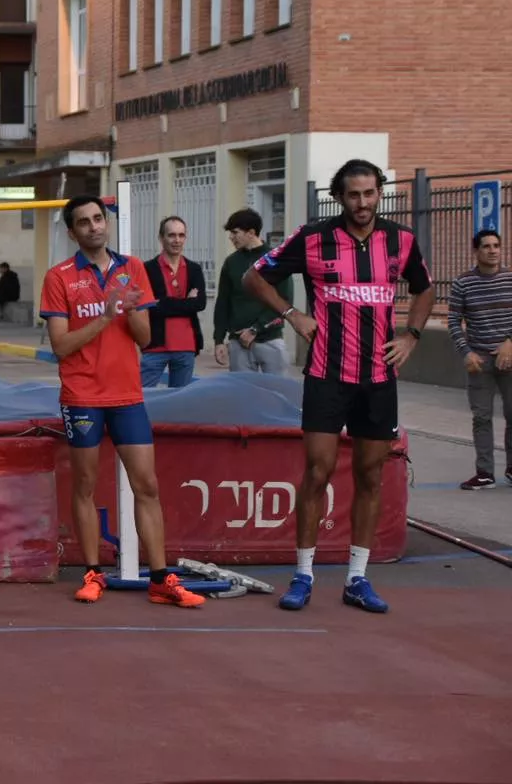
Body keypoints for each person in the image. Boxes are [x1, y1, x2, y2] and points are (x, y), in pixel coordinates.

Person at [244, 158, 433, 614]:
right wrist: (292, 314)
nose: (362, 203)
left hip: (379, 377)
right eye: (353, 195)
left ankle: (357, 579)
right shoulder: (313, 238)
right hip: (327, 373)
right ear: (340, 196)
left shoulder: (401, 240)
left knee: (370, 476)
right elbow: (254, 276)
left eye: (370, 194)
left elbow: (424, 288)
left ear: (380, 192)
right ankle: (303, 575)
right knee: (317, 471)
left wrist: (412, 335)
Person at [39, 196, 205, 609]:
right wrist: (105, 314)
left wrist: (128, 311)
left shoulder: (132, 269)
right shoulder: (59, 277)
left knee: (146, 485)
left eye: (98, 219)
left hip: (127, 395)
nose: (94, 226)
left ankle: (161, 577)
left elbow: (146, 339)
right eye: (84, 222)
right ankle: (93, 573)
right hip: (82, 396)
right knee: (85, 485)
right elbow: (61, 346)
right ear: (72, 231)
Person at [449, 229, 512, 490]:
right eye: (486, 246)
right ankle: (485, 472)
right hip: (480, 361)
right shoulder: (463, 283)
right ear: (476, 251)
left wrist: (510, 342)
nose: (493, 250)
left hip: (509, 359)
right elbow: (453, 320)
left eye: (496, 245)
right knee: (482, 418)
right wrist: (467, 352)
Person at [213, 209, 292, 375]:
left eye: (235, 232)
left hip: (270, 340)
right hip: (238, 343)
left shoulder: (276, 260)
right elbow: (223, 302)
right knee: (243, 397)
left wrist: (255, 329)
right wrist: (219, 339)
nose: (231, 237)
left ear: (251, 232)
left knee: (276, 395)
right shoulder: (231, 262)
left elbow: (284, 303)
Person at [139, 216, 206, 389]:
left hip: (186, 346)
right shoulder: (147, 269)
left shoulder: (194, 269)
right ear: (161, 238)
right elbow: (151, 306)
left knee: (180, 402)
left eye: (181, 235)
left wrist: (164, 303)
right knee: (143, 398)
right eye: (171, 235)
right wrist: (185, 302)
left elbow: (199, 304)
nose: (177, 240)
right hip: (155, 346)